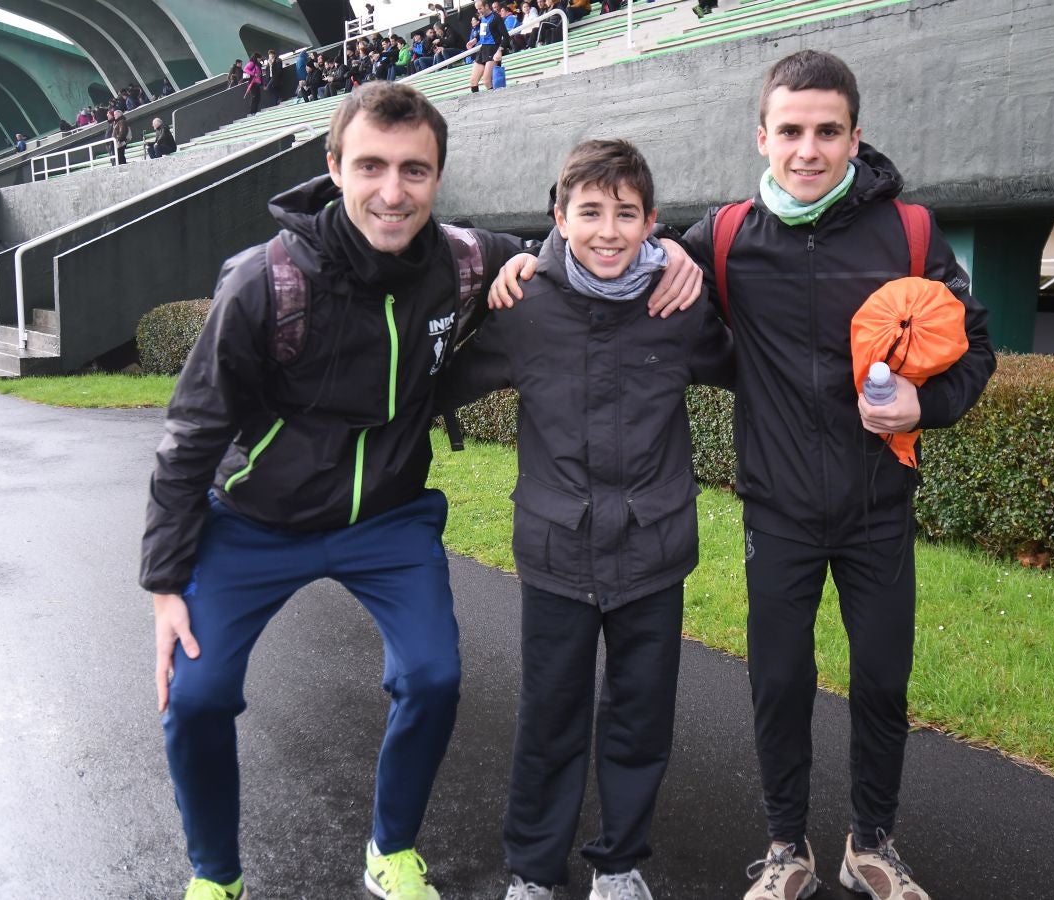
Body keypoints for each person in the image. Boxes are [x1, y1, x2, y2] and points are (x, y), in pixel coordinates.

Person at [141, 79, 702, 900]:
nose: (392, 191)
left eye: (414, 170)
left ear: (438, 177)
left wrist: (673, 251)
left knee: (434, 676)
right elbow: (189, 435)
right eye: (371, 166)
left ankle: (390, 849)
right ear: (334, 166)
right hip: (257, 521)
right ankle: (213, 874)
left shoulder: (470, 260)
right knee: (197, 695)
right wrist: (164, 583)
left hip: (390, 520)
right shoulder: (263, 282)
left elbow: (581, 249)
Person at [489, 49, 994, 900]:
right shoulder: (722, 238)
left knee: (880, 680)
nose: (808, 149)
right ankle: (784, 847)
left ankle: (871, 842)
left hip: (877, 507)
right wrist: (524, 262)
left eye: (826, 131)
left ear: (854, 137)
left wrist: (925, 406)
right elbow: (610, 255)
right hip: (779, 510)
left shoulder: (908, 232)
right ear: (762, 137)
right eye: (790, 130)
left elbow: (972, 347)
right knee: (781, 682)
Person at [441, 140, 732, 900]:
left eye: (626, 214)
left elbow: (754, 365)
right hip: (556, 552)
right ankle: (534, 872)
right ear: (559, 218)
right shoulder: (524, 303)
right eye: (590, 212)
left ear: (652, 223)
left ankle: (619, 864)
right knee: (551, 719)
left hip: (653, 549)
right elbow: (433, 381)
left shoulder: (678, 301)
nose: (608, 230)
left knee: (640, 720)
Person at [467, 0, 511, 94]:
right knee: (473, 82)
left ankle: (496, 101)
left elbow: (506, 37)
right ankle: (477, 104)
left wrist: (500, 50)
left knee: (487, 81)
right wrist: (474, 40)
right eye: (477, 9)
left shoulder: (496, 17)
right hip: (483, 50)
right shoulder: (482, 18)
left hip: (493, 50)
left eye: (480, 8)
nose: (479, 11)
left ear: (486, 6)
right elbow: (483, 33)